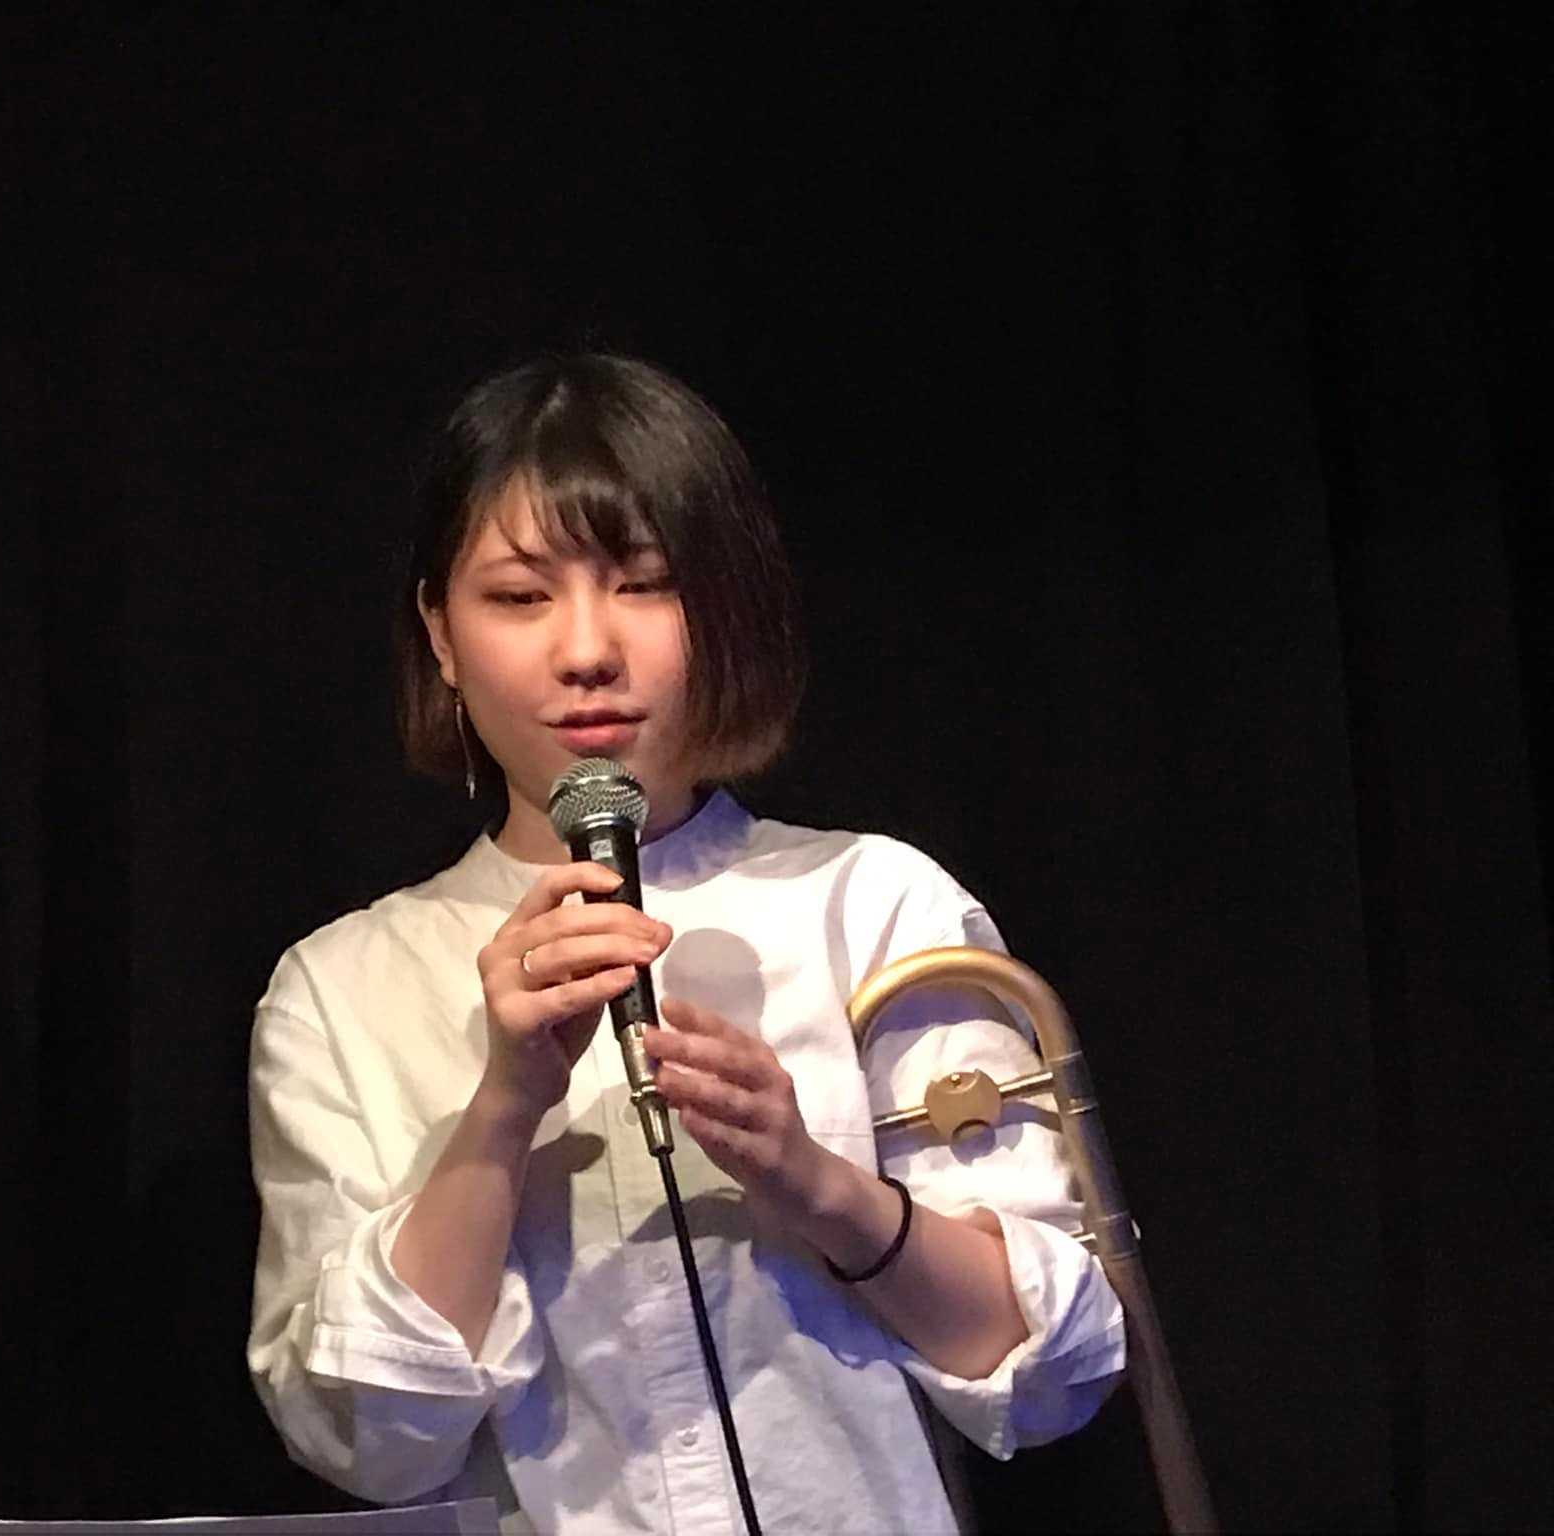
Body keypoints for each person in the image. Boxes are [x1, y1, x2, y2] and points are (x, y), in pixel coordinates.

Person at [246, 353, 1125, 1534]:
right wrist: (503, 1106)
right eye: (518, 598)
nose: (585, 650)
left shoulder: (871, 904)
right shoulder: (342, 986)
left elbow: (1056, 1369)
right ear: (440, 636)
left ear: (722, 610)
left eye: (645, 585)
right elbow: (360, 1440)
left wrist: (813, 1182)